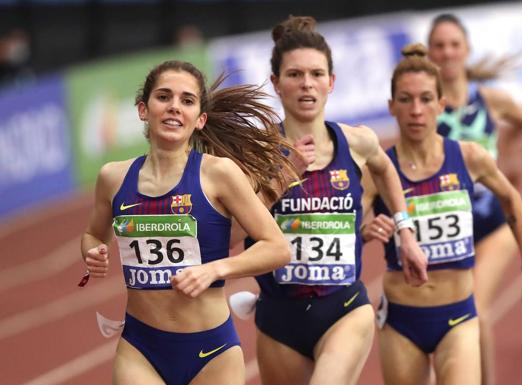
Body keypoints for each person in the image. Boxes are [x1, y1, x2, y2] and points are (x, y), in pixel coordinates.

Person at [80, 60, 294, 385]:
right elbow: (93, 234)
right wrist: (93, 252)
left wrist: (215, 270)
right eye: (163, 97)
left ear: (200, 120)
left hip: (212, 352)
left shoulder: (218, 174)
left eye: (187, 101)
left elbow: (277, 248)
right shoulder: (113, 177)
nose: (174, 107)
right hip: (140, 348)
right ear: (143, 109)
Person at [242, 16, 428, 385]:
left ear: (332, 81)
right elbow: (235, 230)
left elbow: (386, 169)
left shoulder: (357, 141)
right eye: (295, 75)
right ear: (277, 84)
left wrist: (406, 232)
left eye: (316, 73)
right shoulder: (256, 153)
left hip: (343, 307)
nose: (307, 83)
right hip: (278, 318)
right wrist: (282, 175)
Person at [362, 43, 522, 385]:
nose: (416, 110)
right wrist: (365, 230)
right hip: (401, 320)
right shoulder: (378, 168)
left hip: (458, 315)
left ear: (441, 104)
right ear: (392, 106)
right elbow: (349, 228)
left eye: (425, 99)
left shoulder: (469, 157)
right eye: (405, 99)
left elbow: (512, 200)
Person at [425, 13, 522, 385]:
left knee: (476, 311)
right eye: (440, 45)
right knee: (441, 320)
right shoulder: (425, 106)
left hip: (492, 222)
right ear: (430, 52)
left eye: (454, 44)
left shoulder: (490, 99)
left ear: (466, 50)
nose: (448, 52)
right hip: (444, 229)